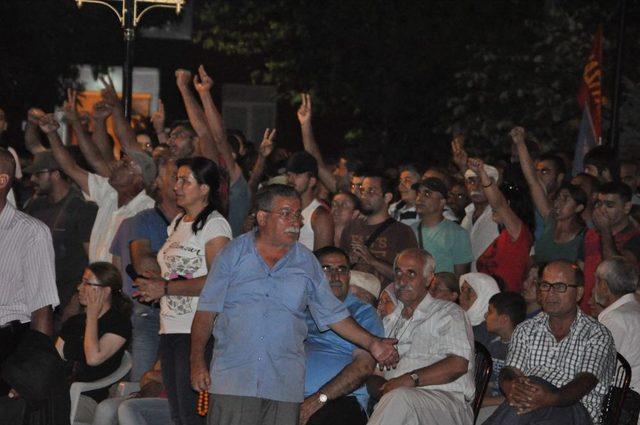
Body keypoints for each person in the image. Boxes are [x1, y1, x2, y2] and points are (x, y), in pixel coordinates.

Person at [190, 184, 399, 425]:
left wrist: (373, 343)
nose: (295, 221)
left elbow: (333, 315)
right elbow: (206, 312)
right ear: (262, 217)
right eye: (286, 213)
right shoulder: (232, 254)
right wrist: (196, 362)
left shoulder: (306, 262)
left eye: (298, 214)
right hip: (235, 379)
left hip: (284, 384)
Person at [135, 156, 232, 425]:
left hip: (197, 329)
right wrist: (157, 280)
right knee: (178, 412)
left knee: (192, 414)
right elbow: (181, 270)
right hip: (171, 327)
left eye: (184, 180)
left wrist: (165, 287)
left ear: (204, 189)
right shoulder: (178, 222)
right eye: (176, 179)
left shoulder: (215, 225)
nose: (176, 185)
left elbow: (219, 281)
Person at [483, 260, 616, 425]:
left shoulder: (597, 334)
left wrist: (549, 398)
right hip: (530, 406)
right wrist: (512, 387)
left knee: (533, 388)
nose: (550, 293)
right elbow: (510, 370)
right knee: (527, 398)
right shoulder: (526, 329)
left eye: (560, 287)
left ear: (579, 292)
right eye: (545, 285)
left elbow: (585, 381)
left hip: (575, 410)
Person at [367, 248, 475, 425]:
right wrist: (380, 386)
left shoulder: (448, 312)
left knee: (399, 399)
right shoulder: (390, 321)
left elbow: (458, 365)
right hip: (396, 402)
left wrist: (408, 380)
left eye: (411, 273)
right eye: (398, 272)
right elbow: (375, 372)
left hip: (445, 403)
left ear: (429, 279)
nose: (402, 280)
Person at [38, 113, 155, 263]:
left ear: (139, 178)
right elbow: (70, 168)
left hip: (122, 284)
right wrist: (52, 134)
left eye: (125, 164)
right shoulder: (109, 192)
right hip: (96, 281)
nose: (117, 164)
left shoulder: (147, 209)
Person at [109, 153, 180, 381]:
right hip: (149, 313)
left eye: (186, 178)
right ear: (157, 183)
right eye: (175, 177)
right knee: (142, 383)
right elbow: (144, 267)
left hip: (184, 317)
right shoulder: (142, 220)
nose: (181, 183)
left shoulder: (197, 224)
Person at [300, 247, 384, 425]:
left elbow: (364, 367)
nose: (335, 276)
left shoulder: (362, 313)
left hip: (338, 400)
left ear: (348, 276)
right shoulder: (300, 309)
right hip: (289, 397)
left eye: (341, 269)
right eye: (326, 269)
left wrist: (319, 399)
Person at [0, 147, 59, 395]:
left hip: (7, 345)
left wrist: (32, 373)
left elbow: (42, 308)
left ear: (2, 180)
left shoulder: (30, 232)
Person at [24, 150, 97, 316]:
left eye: (38, 174)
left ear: (56, 174)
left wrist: (77, 297)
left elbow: (92, 257)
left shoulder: (82, 208)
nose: (33, 179)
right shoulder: (36, 205)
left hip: (67, 297)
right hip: (37, 298)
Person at [56, 262, 132, 421]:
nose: (79, 288)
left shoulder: (118, 324)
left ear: (106, 291)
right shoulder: (75, 322)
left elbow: (93, 358)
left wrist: (91, 316)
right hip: (60, 392)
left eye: (87, 283)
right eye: (81, 282)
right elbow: (54, 358)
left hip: (89, 397)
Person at [511, 126, 587, 264]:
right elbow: (532, 180)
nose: (558, 203)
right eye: (558, 198)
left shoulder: (584, 237)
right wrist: (520, 143)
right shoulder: (551, 219)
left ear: (579, 207)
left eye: (565, 199)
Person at [339, 172, 418, 286]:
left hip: (385, 300)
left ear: (387, 197)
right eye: (362, 190)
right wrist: (347, 261)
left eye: (371, 191)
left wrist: (372, 260)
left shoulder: (402, 232)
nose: (364, 195)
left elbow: (409, 277)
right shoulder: (351, 227)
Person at [468, 158, 534, 292]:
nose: (492, 206)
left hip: (505, 302)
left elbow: (499, 204)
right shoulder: (502, 236)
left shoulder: (519, 234)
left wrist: (482, 173)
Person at [581, 182, 640, 313]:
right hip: (587, 308)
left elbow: (617, 272)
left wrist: (605, 231)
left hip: (616, 314)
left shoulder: (636, 238)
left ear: (626, 207)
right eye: (599, 203)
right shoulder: (590, 235)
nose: (602, 210)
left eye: (609, 205)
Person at [595, 257, 640, 423]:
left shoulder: (615, 319)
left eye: (596, 281)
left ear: (604, 287)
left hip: (623, 405)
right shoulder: (634, 310)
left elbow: (599, 370)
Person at [476, 292, 527, 424]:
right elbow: (486, 382)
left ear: (504, 319)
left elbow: (520, 393)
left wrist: (483, 401)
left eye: (490, 312)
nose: (485, 315)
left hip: (508, 406)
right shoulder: (493, 345)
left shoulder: (522, 348)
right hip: (487, 402)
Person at [412, 177, 472, 277]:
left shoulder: (457, 234)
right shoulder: (408, 230)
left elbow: (460, 278)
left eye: (427, 194)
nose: (419, 198)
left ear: (442, 202)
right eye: (418, 193)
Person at [286, 151, 334, 250]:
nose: (291, 180)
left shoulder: (320, 216)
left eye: (297, 175)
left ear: (311, 181)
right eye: (289, 175)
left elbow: (321, 259)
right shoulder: (285, 209)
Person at [460, 161, 500, 271]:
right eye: (471, 181)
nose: (476, 187)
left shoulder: (500, 217)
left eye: (482, 182)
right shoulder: (466, 218)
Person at [458, 272, 501, 348]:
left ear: (485, 295)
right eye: (462, 290)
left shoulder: (492, 329)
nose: (462, 297)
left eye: (470, 291)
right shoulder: (457, 321)